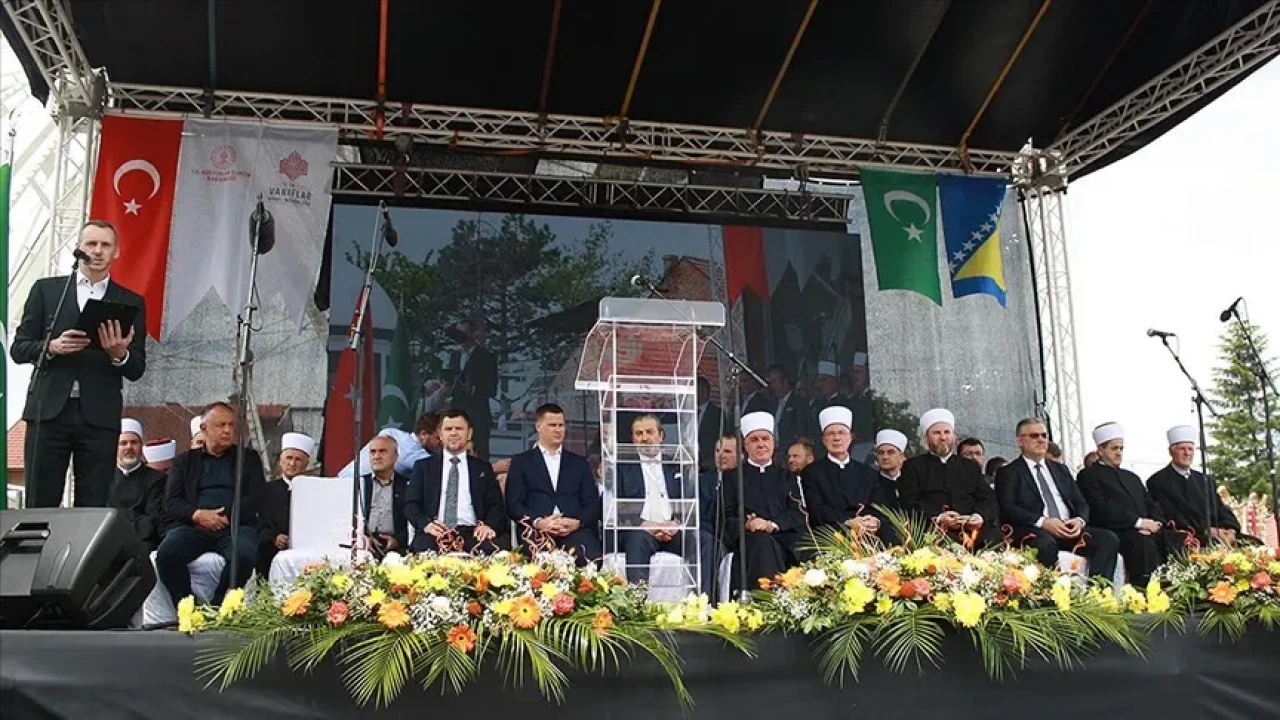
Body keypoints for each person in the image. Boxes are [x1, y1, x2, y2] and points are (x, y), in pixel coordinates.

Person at [10, 220, 147, 508]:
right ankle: (39, 541)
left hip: (99, 415)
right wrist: (51, 347)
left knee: (93, 504)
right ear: (78, 249)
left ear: (116, 252)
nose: (97, 251)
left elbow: (136, 367)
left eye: (105, 245)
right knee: (40, 501)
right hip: (48, 411)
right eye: (91, 244)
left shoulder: (130, 301)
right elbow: (19, 348)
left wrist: (118, 354)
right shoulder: (48, 291)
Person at [155, 402, 264, 606]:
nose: (228, 430)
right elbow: (171, 502)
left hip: (234, 527)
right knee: (166, 555)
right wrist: (197, 515)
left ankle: (219, 608)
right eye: (221, 425)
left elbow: (256, 498)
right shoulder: (185, 461)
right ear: (204, 429)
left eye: (231, 425)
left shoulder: (248, 458)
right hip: (194, 527)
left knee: (243, 555)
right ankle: (188, 608)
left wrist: (225, 517)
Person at [995, 418, 1119, 580]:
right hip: (1037, 530)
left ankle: (1097, 590)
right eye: (1034, 436)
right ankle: (1052, 591)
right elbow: (1008, 507)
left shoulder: (1061, 469)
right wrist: (1043, 522)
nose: (1041, 440)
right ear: (1020, 441)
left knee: (1108, 539)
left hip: (1068, 528)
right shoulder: (1009, 472)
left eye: (1044, 435)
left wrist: (1079, 520)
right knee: (1044, 544)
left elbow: (1080, 502)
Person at [616, 414, 718, 596]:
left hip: (673, 529)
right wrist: (644, 524)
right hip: (641, 529)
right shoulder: (621, 468)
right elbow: (615, 506)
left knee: (704, 540)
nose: (645, 438)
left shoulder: (677, 464)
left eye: (650, 432)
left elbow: (691, 500)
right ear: (632, 439)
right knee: (636, 540)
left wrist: (676, 523)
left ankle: (705, 602)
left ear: (661, 436)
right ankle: (636, 604)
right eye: (639, 433)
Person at [1075, 423, 1179, 585]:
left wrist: (1156, 523)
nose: (1119, 452)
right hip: (1119, 531)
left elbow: (1151, 504)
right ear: (1100, 450)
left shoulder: (1131, 477)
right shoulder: (1088, 475)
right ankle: (1146, 592)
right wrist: (1138, 523)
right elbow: (1102, 508)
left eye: (1121, 448)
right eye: (1114, 448)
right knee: (1143, 544)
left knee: (1177, 539)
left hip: (1147, 529)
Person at [505, 403, 601, 564]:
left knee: (590, 557)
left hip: (574, 530)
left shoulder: (579, 463)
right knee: (538, 565)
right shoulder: (521, 462)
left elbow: (592, 503)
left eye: (561, 425)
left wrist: (576, 522)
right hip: (536, 530)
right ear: (538, 427)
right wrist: (539, 522)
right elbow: (513, 504)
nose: (558, 430)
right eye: (552, 425)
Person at [722, 411, 808, 592]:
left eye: (765, 439)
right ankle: (767, 601)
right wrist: (747, 524)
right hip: (752, 539)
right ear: (745, 445)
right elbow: (726, 516)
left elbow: (798, 513)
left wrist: (772, 525)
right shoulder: (732, 478)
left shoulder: (787, 477)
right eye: (754, 440)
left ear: (773, 443)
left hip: (784, 534)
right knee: (763, 543)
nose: (761, 444)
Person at [406, 409, 506, 553]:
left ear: (469, 433)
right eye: (448, 429)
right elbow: (410, 505)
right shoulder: (423, 467)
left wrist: (488, 526)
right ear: (440, 434)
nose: (453, 433)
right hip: (435, 532)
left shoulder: (482, 468)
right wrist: (426, 525)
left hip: (473, 533)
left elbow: (496, 505)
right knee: (422, 550)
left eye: (459, 428)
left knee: (496, 551)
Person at [899, 409, 1001, 547]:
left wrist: (978, 516)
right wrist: (939, 518)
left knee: (994, 538)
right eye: (936, 433)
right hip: (933, 530)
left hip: (972, 531)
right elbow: (908, 502)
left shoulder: (970, 467)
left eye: (947, 432)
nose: (943, 437)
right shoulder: (913, 466)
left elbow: (988, 500)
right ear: (926, 438)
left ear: (954, 437)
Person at [801, 406, 896, 545]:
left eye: (841, 433)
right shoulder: (811, 472)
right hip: (833, 534)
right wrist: (848, 522)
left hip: (869, 534)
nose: (837, 438)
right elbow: (816, 509)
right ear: (824, 440)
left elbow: (880, 506)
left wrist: (875, 521)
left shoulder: (868, 472)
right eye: (831, 434)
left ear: (850, 437)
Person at [1148, 425, 1247, 546]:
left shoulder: (1205, 480)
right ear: (1171, 451)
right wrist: (1206, 529)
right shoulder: (1158, 481)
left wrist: (1230, 529)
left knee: (1255, 545)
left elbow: (1220, 508)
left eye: (1190, 449)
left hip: (1218, 533)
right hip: (1189, 536)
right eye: (1182, 449)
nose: (1187, 453)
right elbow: (1172, 516)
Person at [254, 432, 316, 577]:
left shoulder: (314, 491)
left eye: (298, 459)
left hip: (306, 556)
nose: (292, 463)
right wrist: (274, 537)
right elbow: (257, 523)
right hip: (271, 554)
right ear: (280, 461)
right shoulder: (265, 490)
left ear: (306, 464)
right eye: (289, 458)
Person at [109, 418, 166, 552]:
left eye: (134, 442)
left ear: (141, 446)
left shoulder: (158, 479)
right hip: (108, 540)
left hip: (142, 541)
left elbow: (153, 517)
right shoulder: (103, 478)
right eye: (123, 443)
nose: (129, 447)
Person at [449, 319, 498, 460]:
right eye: (458, 333)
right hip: (457, 413)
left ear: (474, 333)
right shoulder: (455, 356)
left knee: (479, 455)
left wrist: (473, 389)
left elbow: (492, 388)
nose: (461, 336)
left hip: (477, 415)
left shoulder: (486, 356)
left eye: (464, 332)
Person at [360, 435, 410, 557]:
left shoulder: (408, 486)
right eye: (373, 452)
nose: (376, 456)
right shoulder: (360, 484)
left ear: (396, 456)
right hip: (362, 547)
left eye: (382, 451)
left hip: (397, 551)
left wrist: (397, 541)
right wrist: (362, 539)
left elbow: (413, 521)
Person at [872, 429, 908, 511]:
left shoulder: (911, 482)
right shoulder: (871, 484)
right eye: (881, 453)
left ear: (902, 456)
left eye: (890, 452)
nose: (885, 457)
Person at [696, 376, 723, 473]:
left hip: (709, 466)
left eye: (701, 390)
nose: (698, 393)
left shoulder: (718, 414)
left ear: (707, 391)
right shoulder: (687, 413)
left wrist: (713, 461)